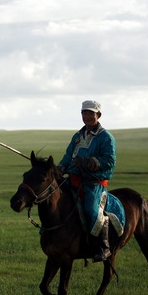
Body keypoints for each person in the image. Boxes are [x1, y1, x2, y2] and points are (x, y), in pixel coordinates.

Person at [57, 100, 117, 262]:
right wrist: (60, 169)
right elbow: (68, 156)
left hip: (94, 184)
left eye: (91, 113)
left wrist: (88, 162)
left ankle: (103, 247)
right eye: (85, 113)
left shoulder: (106, 137)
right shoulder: (77, 137)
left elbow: (109, 161)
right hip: (74, 180)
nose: (88, 116)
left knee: (91, 210)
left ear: (99, 115)